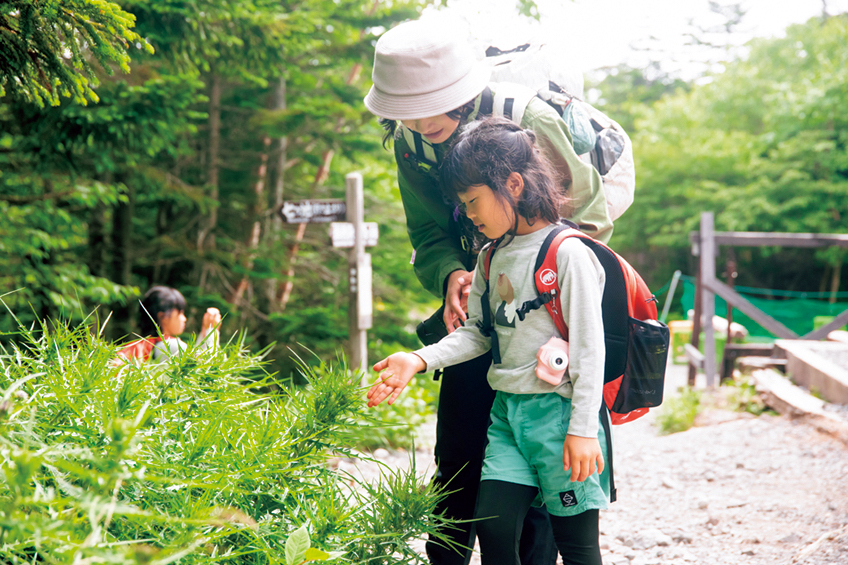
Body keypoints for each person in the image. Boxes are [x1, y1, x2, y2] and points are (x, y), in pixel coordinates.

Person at [363, 16, 613, 565]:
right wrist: (454, 276)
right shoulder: (412, 142)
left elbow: (588, 214)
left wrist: (549, 280)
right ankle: (447, 557)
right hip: (480, 299)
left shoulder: (526, 120)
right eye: (403, 109)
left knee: (548, 480)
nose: (415, 121)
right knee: (456, 450)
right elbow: (428, 234)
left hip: (548, 309)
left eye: (424, 105)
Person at [118, 286, 221, 362]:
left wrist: (206, 331)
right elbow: (206, 366)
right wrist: (212, 330)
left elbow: (196, 359)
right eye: (180, 313)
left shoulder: (146, 345)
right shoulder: (170, 346)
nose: (184, 318)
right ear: (163, 317)